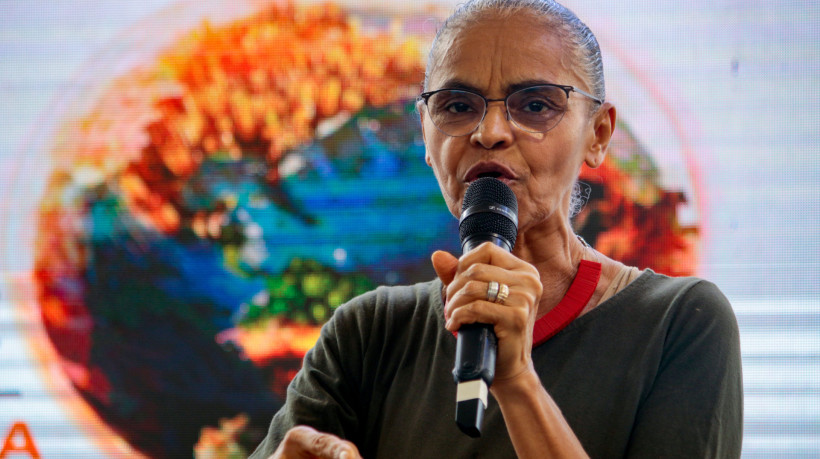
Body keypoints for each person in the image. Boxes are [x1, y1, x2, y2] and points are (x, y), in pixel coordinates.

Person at [249, 0, 743, 457]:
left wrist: (517, 380)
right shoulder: (369, 332)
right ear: (425, 132)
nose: (490, 133)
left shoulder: (681, 323)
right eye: (458, 106)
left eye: (535, 106)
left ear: (598, 134)